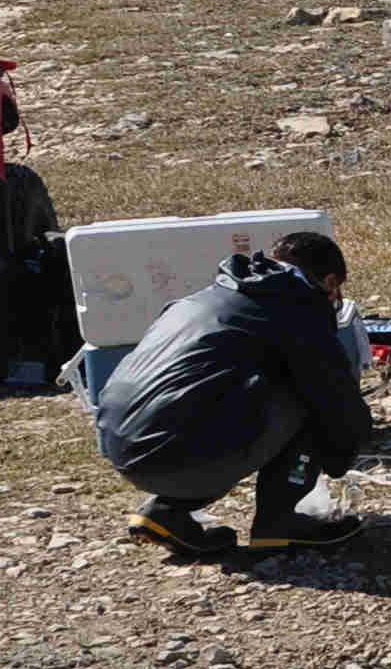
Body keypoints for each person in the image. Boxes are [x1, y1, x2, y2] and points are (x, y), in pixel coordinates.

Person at [95, 229, 372, 556]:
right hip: (182, 452)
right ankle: (278, 523)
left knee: (216, 404)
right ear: (329, 281)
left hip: (119, 441)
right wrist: (339, 456)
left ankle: (167, 510)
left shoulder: (209, 296)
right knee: (308, 393)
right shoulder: (297, 309)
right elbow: (337, 400)